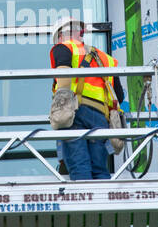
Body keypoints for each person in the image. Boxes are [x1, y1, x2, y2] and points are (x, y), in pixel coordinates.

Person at [49, 17, 124, 181]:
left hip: (76, 112)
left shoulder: (63, 47)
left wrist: (61, 110)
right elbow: (119, 95)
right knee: (99, 168)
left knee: (79, 164)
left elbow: (63, 76)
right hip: (100, 118)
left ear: (61, 35)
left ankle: (85, 204)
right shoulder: (105, 59)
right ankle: (103, 204)